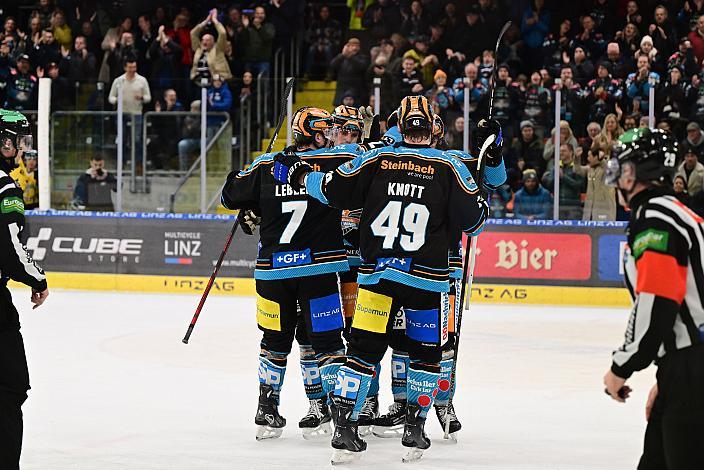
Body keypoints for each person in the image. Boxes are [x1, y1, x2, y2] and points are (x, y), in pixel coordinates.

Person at [272, 95, 488, 464]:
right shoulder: (448, 166)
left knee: (361, 354)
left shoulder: (374, 159)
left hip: (377, 279)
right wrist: (481, 194)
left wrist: (297, 174)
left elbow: (331, 191)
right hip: (426, 282)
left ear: (399, 125)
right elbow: (474, 222)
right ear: (432, 127)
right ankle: (415, 430)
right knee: (425, 356)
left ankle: (344, 429)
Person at [221, 107, 356, 441]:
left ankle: (266, 411)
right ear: (315, 133)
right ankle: (339, 416)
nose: (332, 136)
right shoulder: (333, 164)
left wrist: (251, 182)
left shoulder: (268, 165)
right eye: (327, 130)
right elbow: (363, 174)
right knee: (328, 344)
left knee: (273, 342)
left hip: (272, 272)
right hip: (318, 269)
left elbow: (228, 196)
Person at [603, 127, 704, 470]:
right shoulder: (674, 212)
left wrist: (623, 366)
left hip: (692, 369)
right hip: (684, 369)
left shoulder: (656, 217)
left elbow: (659, 300)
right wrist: (668, 379)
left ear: (637, 171)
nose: (616, 175)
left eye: (623, 166)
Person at [0, 110, 49, 470]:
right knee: (10, 388)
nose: (20, 150)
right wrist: (38, 280)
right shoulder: (4, 186)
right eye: (18, 141)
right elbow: (12, 250)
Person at [108, 58, 151, 166]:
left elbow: (148, 97)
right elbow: (111, 97)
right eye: (130, 67)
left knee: (137, 140)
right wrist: (117, 100)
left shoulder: (142, 80)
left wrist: (142, 97)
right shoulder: (118, 81)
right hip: (122, 114)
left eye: (134, 67)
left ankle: (138, 164)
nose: (132, 69)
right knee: (121, 139)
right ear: (125, 68)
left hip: (136, 114)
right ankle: (120, 163)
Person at [542, 143, 585, 220]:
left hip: (573, 206)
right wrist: (555, 177)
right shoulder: (556, 167)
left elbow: (579, 185)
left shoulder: (577, 167)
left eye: (564, 151)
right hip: (558, 206)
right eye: (560, 151)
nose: (561, 153)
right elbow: (549, 186)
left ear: (571, 152)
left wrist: (563, 177)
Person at [190, 9, 232, 84]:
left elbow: (222, 33)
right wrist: (206, 21)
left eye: (208, 40)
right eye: (203, 40)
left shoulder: (218, 48)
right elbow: (193, 33)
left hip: (216, 81)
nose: (205, 42)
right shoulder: (198, 49)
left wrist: (215, 20)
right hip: (198, 81)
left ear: (213, 42)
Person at [574, 147, 616, 221]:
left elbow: (606, 165)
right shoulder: (590, 169)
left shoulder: (606, 169)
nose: (587, 159)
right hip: (590, 210)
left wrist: (601, 159)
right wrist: (577, 158)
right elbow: (577, 170)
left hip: (604, 209)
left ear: (596, 157)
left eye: (589, 156)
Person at [330, 38, 368, 106]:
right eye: (352, 45)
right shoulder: (342, 57)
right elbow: (332, 65)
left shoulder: (362, 57)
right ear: (348, 46)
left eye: (357, 46)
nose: (355, 48)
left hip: (356, 90)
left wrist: (350, 57)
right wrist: (342, 55)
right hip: (342, 89)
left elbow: (362, 67)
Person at [240, 6, 275, 77]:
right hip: (249, 61)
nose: (259, 15)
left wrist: (258, 27)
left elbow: (268, 38)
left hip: (263, 61)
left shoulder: (269, 26)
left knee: (263, 84)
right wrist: (245, 27)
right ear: (254, 14)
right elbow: (243, 40)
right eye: (257, 13)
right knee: (248, 84)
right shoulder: (249, 27)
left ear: (265, 15)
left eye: (262, 13)